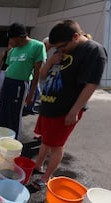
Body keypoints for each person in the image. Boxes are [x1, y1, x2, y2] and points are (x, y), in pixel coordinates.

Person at [28, 20, 107, 192]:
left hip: (64, 111)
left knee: (56, 145)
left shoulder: (93, 51)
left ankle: (45, 177)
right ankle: (38, 165)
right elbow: (41, 75)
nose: (60, 50)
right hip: (48, 105)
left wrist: (75, 110)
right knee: (45, 140)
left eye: (62, 46)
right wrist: (50, 61)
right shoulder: (60, 48)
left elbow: (91, 84)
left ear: (76, 37)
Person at [0, 22, 47, 140]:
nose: (10, 42)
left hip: (20, 84)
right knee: (3, 112)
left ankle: (13, 142)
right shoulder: (13, 50)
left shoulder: (37, 46)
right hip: (8, 83)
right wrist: (2, 86)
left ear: (20, 37)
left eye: (12, 39)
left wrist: (31, 93)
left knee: (14, 115)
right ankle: (0, 139)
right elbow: (8, 69)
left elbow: (37, 73)